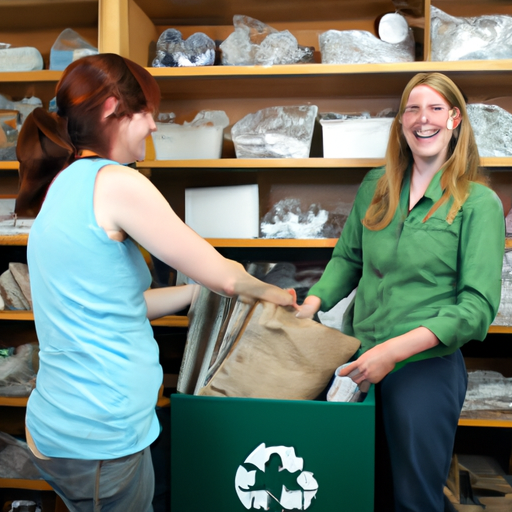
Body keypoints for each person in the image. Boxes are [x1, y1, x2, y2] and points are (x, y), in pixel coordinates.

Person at [15, 53, 295, 512]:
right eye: (147, 112)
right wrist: (274, 293)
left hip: (56, 427)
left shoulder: (64, 185)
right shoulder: (117, 182)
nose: (153, 126)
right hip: (102, 439)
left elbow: (117, 303)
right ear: (111, 109)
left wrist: (191, 291)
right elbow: (224, 275)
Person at [296, 72, 505, 511]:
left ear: (455, 120)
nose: (422, 118)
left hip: (423, 366)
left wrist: (393, 352)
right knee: (352, 485)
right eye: (412, 108)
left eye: (435, 108)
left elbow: (476, 306)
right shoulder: (376, 185)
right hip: (358, 356)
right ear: (401, 122)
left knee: (413, 499)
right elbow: (349, 258)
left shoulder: (478, 204)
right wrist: (312, 304)